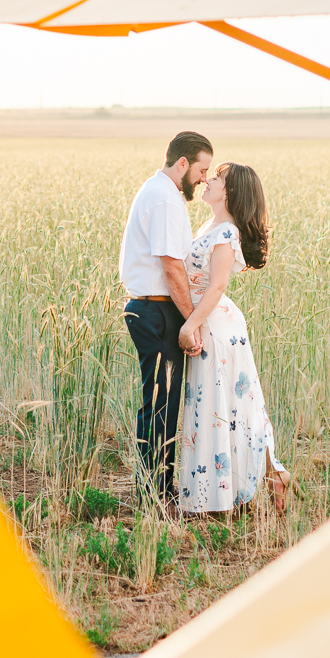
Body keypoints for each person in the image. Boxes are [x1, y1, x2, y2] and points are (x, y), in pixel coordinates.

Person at [176, 162, 291, 513]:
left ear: (230, 192)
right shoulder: (210, 225)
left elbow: (218, 286)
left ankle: (248, 483)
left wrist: (189, 326)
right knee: (219, 408)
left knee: (225, 409)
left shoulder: (226, 233)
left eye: (217, 178)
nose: (208, 180)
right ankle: (251, 481)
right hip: (208, 323)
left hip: (217, 330)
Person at [119, 131, 213, 503]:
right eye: (202, 169)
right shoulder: (164, 201)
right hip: (157, 310)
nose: (204, 178)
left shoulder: (160, 193)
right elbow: (172, 268)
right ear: (183, 163)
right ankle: (156, 495)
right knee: (160, 406)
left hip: (154, 308)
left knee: (161, 403)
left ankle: (157, 490)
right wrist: (192, 321)